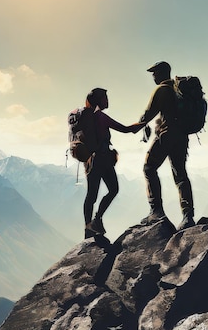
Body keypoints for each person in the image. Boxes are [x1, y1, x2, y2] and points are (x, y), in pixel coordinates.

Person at [139, 61, 195, 229]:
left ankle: (156, 211)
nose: (153, 76)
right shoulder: (178, 90)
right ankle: (188, 216)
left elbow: (148, 114)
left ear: (162, 73)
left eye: (154, 73)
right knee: (180, 174)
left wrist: (139, 125)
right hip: (182, 137)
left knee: (149, 168)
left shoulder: (162, 89)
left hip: (166, 135)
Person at [83, 87, 143, 238]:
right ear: (99, 100)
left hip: (90, 160)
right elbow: (125, 129)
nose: (107, 100)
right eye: (105, 98)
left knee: (91, 195)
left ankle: (88, 228)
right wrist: (143, 123)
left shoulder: (88, 117)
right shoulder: (101, 117)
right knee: (113, 189)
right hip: (103, 159)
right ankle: (97, 219)